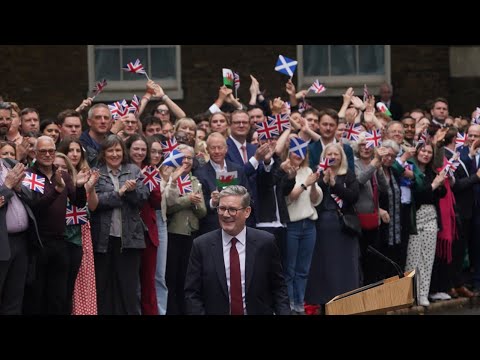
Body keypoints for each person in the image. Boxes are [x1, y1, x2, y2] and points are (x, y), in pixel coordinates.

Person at [184, 185, 290, 315]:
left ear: (247, 212)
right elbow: (192, 293)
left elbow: (279, 288)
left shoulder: (266, 242)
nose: (226, 214)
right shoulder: (201, 245)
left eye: (233, 210)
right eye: (222, 209)